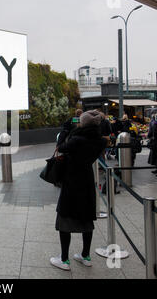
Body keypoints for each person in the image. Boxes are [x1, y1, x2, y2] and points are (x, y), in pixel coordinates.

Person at [50, 110, 107, 271]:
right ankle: (85, 255)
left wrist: (65, 130)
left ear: (84, 123)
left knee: (64, 219)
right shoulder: (100, 141)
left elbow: (60, 147)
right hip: (87, 180)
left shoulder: (76, 140)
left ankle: (64, 260)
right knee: (87, 218)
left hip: (71, 181)